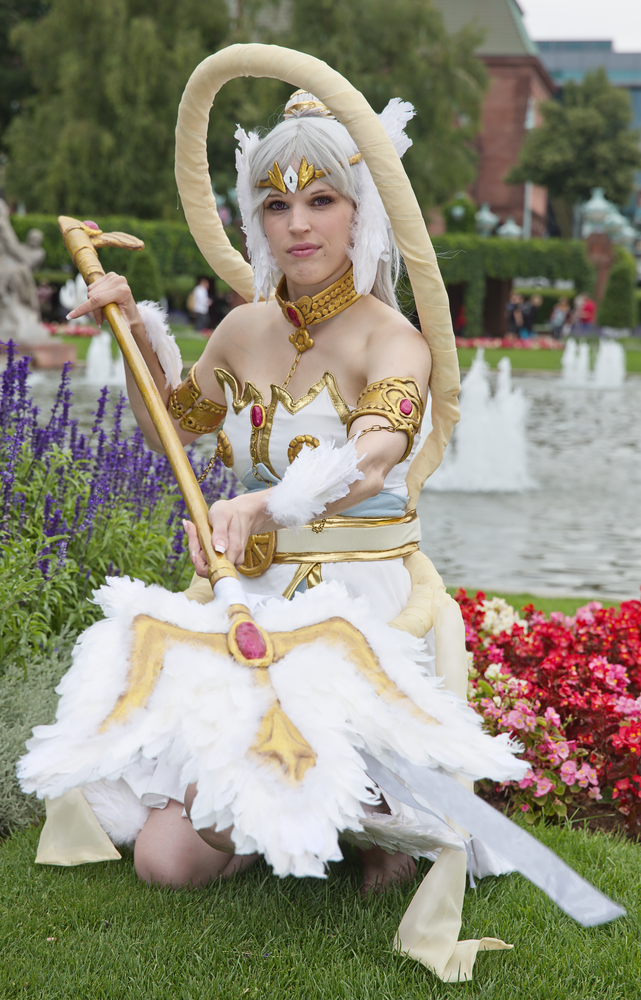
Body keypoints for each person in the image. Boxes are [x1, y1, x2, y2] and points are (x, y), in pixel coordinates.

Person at [18, 48, 620, 982]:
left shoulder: (394, 339)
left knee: (375, 855)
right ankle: (284, 811)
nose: (297, 223)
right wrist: (134, 328)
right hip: (251, 603)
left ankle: (361, 810)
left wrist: (261, 502)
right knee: (166, 861)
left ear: (360, 210)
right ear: (255, 217)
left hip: (358, 610)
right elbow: (174, 425)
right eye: (275, 203)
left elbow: (374, 454)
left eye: (321, 199)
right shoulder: (242, 328)